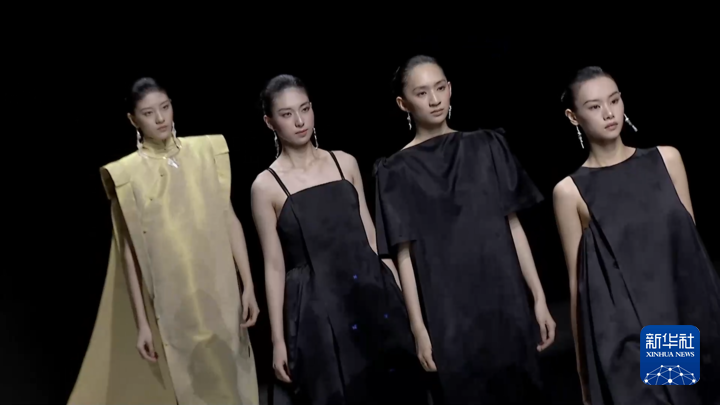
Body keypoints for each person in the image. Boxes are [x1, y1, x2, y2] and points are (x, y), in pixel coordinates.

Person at [373, 55, 556, 404]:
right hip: (448, 313)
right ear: (402, 103)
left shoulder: (487, 145)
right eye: (422, 93)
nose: (434, 100)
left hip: (506, 300)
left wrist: (539, 297)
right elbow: (403, 254)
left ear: (450, 89)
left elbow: (513, 226)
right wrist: (418, 328)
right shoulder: (395, 171)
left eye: (440, 88)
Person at [68, 78, 260, 405]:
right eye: (148, 113)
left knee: (236, 383)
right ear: (132, 119)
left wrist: (249, 285)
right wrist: (142, 323)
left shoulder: (207, 151)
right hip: (173, 306)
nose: (160, 118)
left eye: (165, 107)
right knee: (195, 389)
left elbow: (229, 218)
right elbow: (129, 255)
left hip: (221, 293)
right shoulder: (127, 175)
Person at [251, 74, 426, 405]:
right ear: (270, 122)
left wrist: (406, 302)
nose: (300, 121)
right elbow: (273, 266)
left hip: (372, 293)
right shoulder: (266, 186)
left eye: (305, 109)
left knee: (397, 390)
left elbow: (372, 237)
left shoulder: (344, 162)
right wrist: (278, 340)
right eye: (287, 114)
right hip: (316, 310)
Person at [553, 66, 720, 405]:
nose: (609, 112)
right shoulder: (570, 191)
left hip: (684, 314)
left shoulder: (667, 160)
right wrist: (584, 372)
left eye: (614, 100)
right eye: (594, 106)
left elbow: (691, 251)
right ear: (573, 117)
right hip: (628, 332)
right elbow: (577, 284)